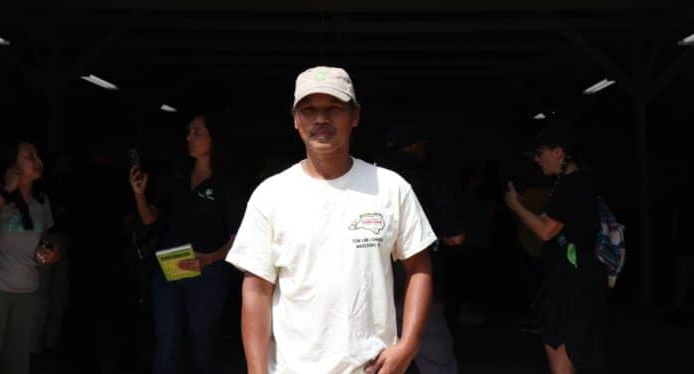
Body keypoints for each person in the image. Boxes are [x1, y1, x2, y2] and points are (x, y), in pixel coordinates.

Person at [226, 66, 435, 374]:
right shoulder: (270, 195)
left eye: (333, 109)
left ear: (355, 116)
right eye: (309, 110)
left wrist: (409, 344)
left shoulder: (390, 188)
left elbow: (419, 266)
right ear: (296, 120)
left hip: (371, 367)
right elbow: (257, 288)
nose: (320, 119)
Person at [129, 114, 245, 374]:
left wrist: (208, 259)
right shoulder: (178, 175)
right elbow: (150, 217)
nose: (188, 137)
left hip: (208, 273)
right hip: (170, 269)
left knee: (202, 346)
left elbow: (237, 238)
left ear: (213, 138)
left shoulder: (227, 182)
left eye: (196, 132)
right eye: (188, 132)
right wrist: (139, 194)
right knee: (166, 343)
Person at [504, 125, 606, 374]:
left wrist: (514, 205)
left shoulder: (573, 184)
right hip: (578, 275)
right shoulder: (577, 182)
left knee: (560, 342)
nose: (537, 160)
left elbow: (546, 230)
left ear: (559, 152)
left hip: (571, 279)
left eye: (540, 153)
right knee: (567, 344)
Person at [379, 122, 465, 374]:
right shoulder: (429, 175)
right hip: (416, 277)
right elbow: (456, 237)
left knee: (373, 358)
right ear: (416, 146)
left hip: (372, 280)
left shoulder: (368, 176)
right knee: (435, 356)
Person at [0, 140, 61, 374]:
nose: (38, 161)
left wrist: (49, 254)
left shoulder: (42, 202)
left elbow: (40, 244)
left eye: (38, 155)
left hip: (28, 291)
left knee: (17, 363)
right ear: (13, 164)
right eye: (28, 156)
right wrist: (6, 190)